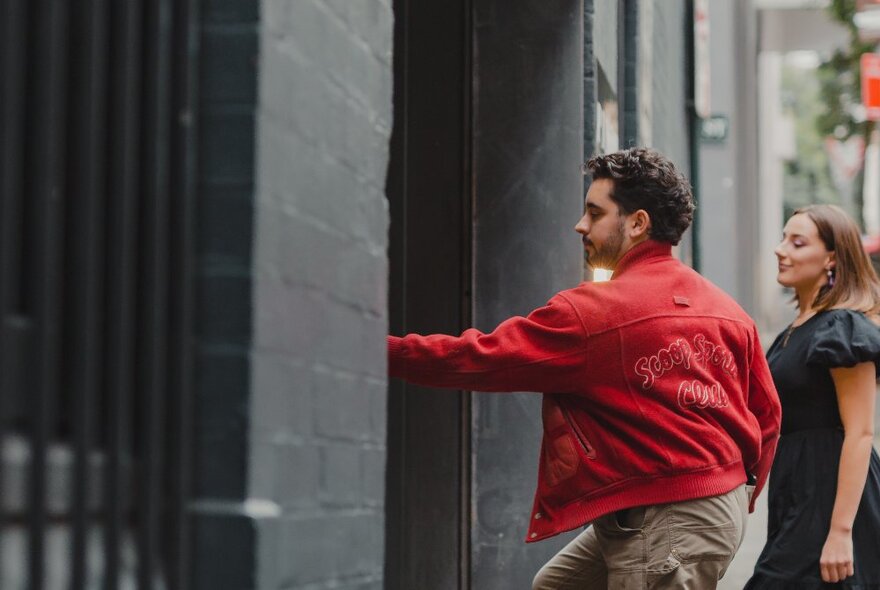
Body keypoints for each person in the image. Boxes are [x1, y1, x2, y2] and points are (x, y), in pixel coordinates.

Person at [388, 147, 781, 589]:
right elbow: (767, 414)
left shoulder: (594, 313)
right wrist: (736, 492)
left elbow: (479, 358)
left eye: (595, 213)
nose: (580, 225)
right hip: (704, 504)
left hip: (669, 515)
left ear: (637, 223)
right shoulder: (727, 310)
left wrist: (378, 350)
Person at [745, 204, 880, 589]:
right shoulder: (794, 331)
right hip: (795, 488)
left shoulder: (841, 326)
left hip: (831, 495)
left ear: (831, 258)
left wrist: (840, 532)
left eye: (797, 242)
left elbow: (860, 433)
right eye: (783, 237)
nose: (780, 249)